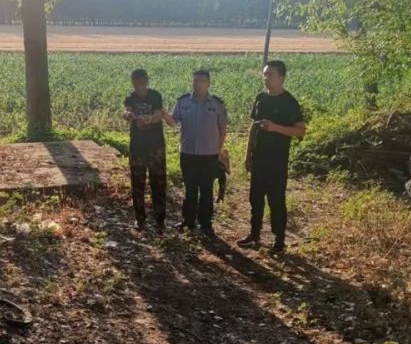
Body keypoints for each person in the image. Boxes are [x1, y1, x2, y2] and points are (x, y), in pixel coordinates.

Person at [237, 60, 306, 254]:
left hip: (277, 160)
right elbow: (253, 127)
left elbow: (300, 131)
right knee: (255, 198)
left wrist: (275, 128)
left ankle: (279, 240)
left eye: (270, 75)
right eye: (265, 74)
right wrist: (248, 155)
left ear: (281, 78)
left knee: (276, 200)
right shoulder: (261, 98)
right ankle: (254, 234)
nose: (266, 78)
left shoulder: (289, 102)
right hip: (259, 158)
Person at [161, 69, 228, 235]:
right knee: (190, 188)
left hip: (209, 154)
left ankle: (206, 224)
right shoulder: (183, 102)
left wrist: (218, 149)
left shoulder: (217, 104)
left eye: (202, 81)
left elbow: (222, 128)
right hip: (188, 153)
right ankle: (188, 221)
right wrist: (164, 114)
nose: (198, 84)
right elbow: (173, 122)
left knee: (206, 190)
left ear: (208, 83)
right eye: (196, 81)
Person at [123, 69, 167, 232]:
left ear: (147, 81)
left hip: (156, 146)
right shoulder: (130, 98)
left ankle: (160, 220)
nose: (139, 86)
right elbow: (127, 111)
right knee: (137, 183)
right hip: (137, 147)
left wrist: (149, 119)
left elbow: (158, 114)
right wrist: (128, 115)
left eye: (142, 83)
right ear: (133, 83)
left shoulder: (155, 96)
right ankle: (140, 219)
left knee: (159, 183)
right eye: (136, 83)